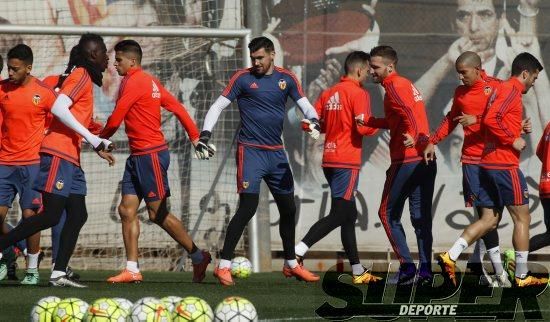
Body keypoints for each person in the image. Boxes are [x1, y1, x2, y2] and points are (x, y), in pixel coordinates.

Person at [196, 36, 321, 286]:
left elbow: (307, 108)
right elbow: (218, 106)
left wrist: (315, 122)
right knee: (248, 208)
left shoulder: (287, 79)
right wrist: (205, 135)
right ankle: (224, 265)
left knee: (289, 209)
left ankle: (290, 264)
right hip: (250, 152)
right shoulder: (243, 78)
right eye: (253, 58)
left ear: (272, 55)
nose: (256, 62)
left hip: (276, 153)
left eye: (260, 58)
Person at [0, 33, 115, 288]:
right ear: (92, 53)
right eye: (104, 51)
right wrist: (93, 139)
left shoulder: (83, 78)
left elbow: (73, 118)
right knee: (51, 215)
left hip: (71, 156)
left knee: (78, 213)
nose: (108, 56)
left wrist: (95, 143)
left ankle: (58, 273)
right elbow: (60, 107)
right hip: (57, 154)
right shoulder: (81, 75)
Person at [99, 40, 211, 284]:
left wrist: (100, 139)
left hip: (150, 155)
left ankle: (198, 255)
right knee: (126, 210)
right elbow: (178, 108)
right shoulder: (150, 81)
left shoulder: (134, 82)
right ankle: (132, 269)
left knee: (157, 214)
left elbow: (117, 118)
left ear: (132, 61)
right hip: (138, 156)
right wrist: (194, 137)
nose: (115, 64)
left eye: (118, 60)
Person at [438, 52, 548, 287]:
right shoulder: (510, 89)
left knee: (488, 219)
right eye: (534, 78)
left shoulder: (498, 88)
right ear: (525, 73)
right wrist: (512, 139)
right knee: (522, 218)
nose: (533, 83)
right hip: (503, 164)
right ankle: (521, 275)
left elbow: (491, 118)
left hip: (486, 163)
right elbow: (491, 120)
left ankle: (451, 255)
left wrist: (516, 127)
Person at [424, 51, 511, 287]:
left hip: (496, 160)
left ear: (478, 69)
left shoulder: (497, 87)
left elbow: (505, 118)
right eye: (458, 73)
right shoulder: (460, 93)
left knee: (491, 219)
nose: (461, 77)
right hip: (472, 162)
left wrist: (479, 119)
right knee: (487, 218)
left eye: (464, 72)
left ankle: (488, 269)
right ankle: (497, 273)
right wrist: (433, 141)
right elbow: (451, 119)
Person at [293, 51, 381, 284]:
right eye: (368, 70)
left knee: (348, 215)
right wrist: (381, 125)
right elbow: (363, 128)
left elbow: (313, 124)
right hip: (346, 160)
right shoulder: (359, 93)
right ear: (360, 70)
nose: (370, 74)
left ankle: (358, 270)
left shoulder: (329, 93)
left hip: (329, 160)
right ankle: (297, 252)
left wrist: (313, 127)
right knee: (340, 214)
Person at [363, 45, 436, 285]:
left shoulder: (393, 86)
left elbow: (411, 116)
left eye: (375, 66)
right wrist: (371, 121)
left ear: (390, 66)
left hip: (408, 159)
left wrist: (414, 136)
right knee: (420, 217)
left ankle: (406, 269)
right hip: (423, 158)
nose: (371, 70)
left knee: (387, 213)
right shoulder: (403, 84)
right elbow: (404, 117)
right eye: (370, 66)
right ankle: (425, 271)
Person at [0, 45, 57, 285]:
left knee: (30, 215)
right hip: (4, 162)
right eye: (8, 68)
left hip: (33, 164)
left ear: (29, 68)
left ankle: (32, 268)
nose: (10, 73)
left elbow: (60, 120)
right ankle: (9, 250)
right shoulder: (2, 89)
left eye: (15, 69)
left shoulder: (43, 92)